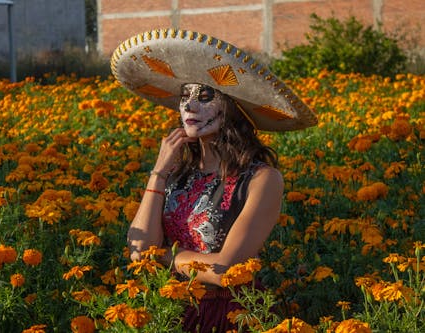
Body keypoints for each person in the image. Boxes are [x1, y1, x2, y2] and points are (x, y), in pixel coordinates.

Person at [110, 28, 317, 332]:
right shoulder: (177, 174)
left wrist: (162, 256)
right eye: (185, 97)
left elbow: (225, 270)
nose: (190, 106)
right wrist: (159, 172)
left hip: (230, 314)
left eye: (205, 97)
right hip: (170, 309)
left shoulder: (262, 179)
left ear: (233, 109)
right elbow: (138, 248)